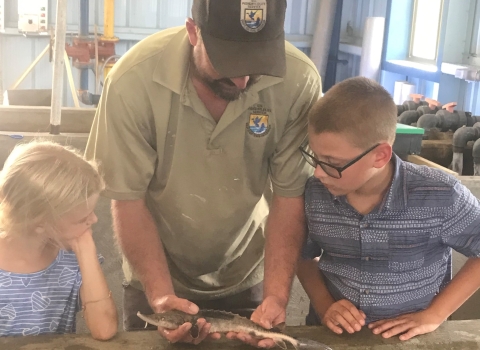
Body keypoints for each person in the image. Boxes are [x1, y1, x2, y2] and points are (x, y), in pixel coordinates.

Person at [85, 0, 321, 346]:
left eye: (256, 64)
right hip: (157, 269)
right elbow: (128, 199)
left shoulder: (298, 80)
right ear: (193, 32)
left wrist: (277, 295)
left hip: (245, 268)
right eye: (228, 61)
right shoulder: (132, 82)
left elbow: (289, 196)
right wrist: (161, 297)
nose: (242, 80)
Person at [297, 76, 480, 341]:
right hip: (334, 335)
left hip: (411, 338)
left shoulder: (440, 195)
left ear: (380, 155)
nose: (318, 173)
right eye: (314, 156)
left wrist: (435, 314)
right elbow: (302, 254)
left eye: (332, 162)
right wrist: (325, 305)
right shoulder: (315, 194)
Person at [0, 141, 117, 339]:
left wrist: (86, 248)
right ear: (39, 223)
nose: (95, 219)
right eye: (83, 218)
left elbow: (104, 329)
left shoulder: (71, 259)